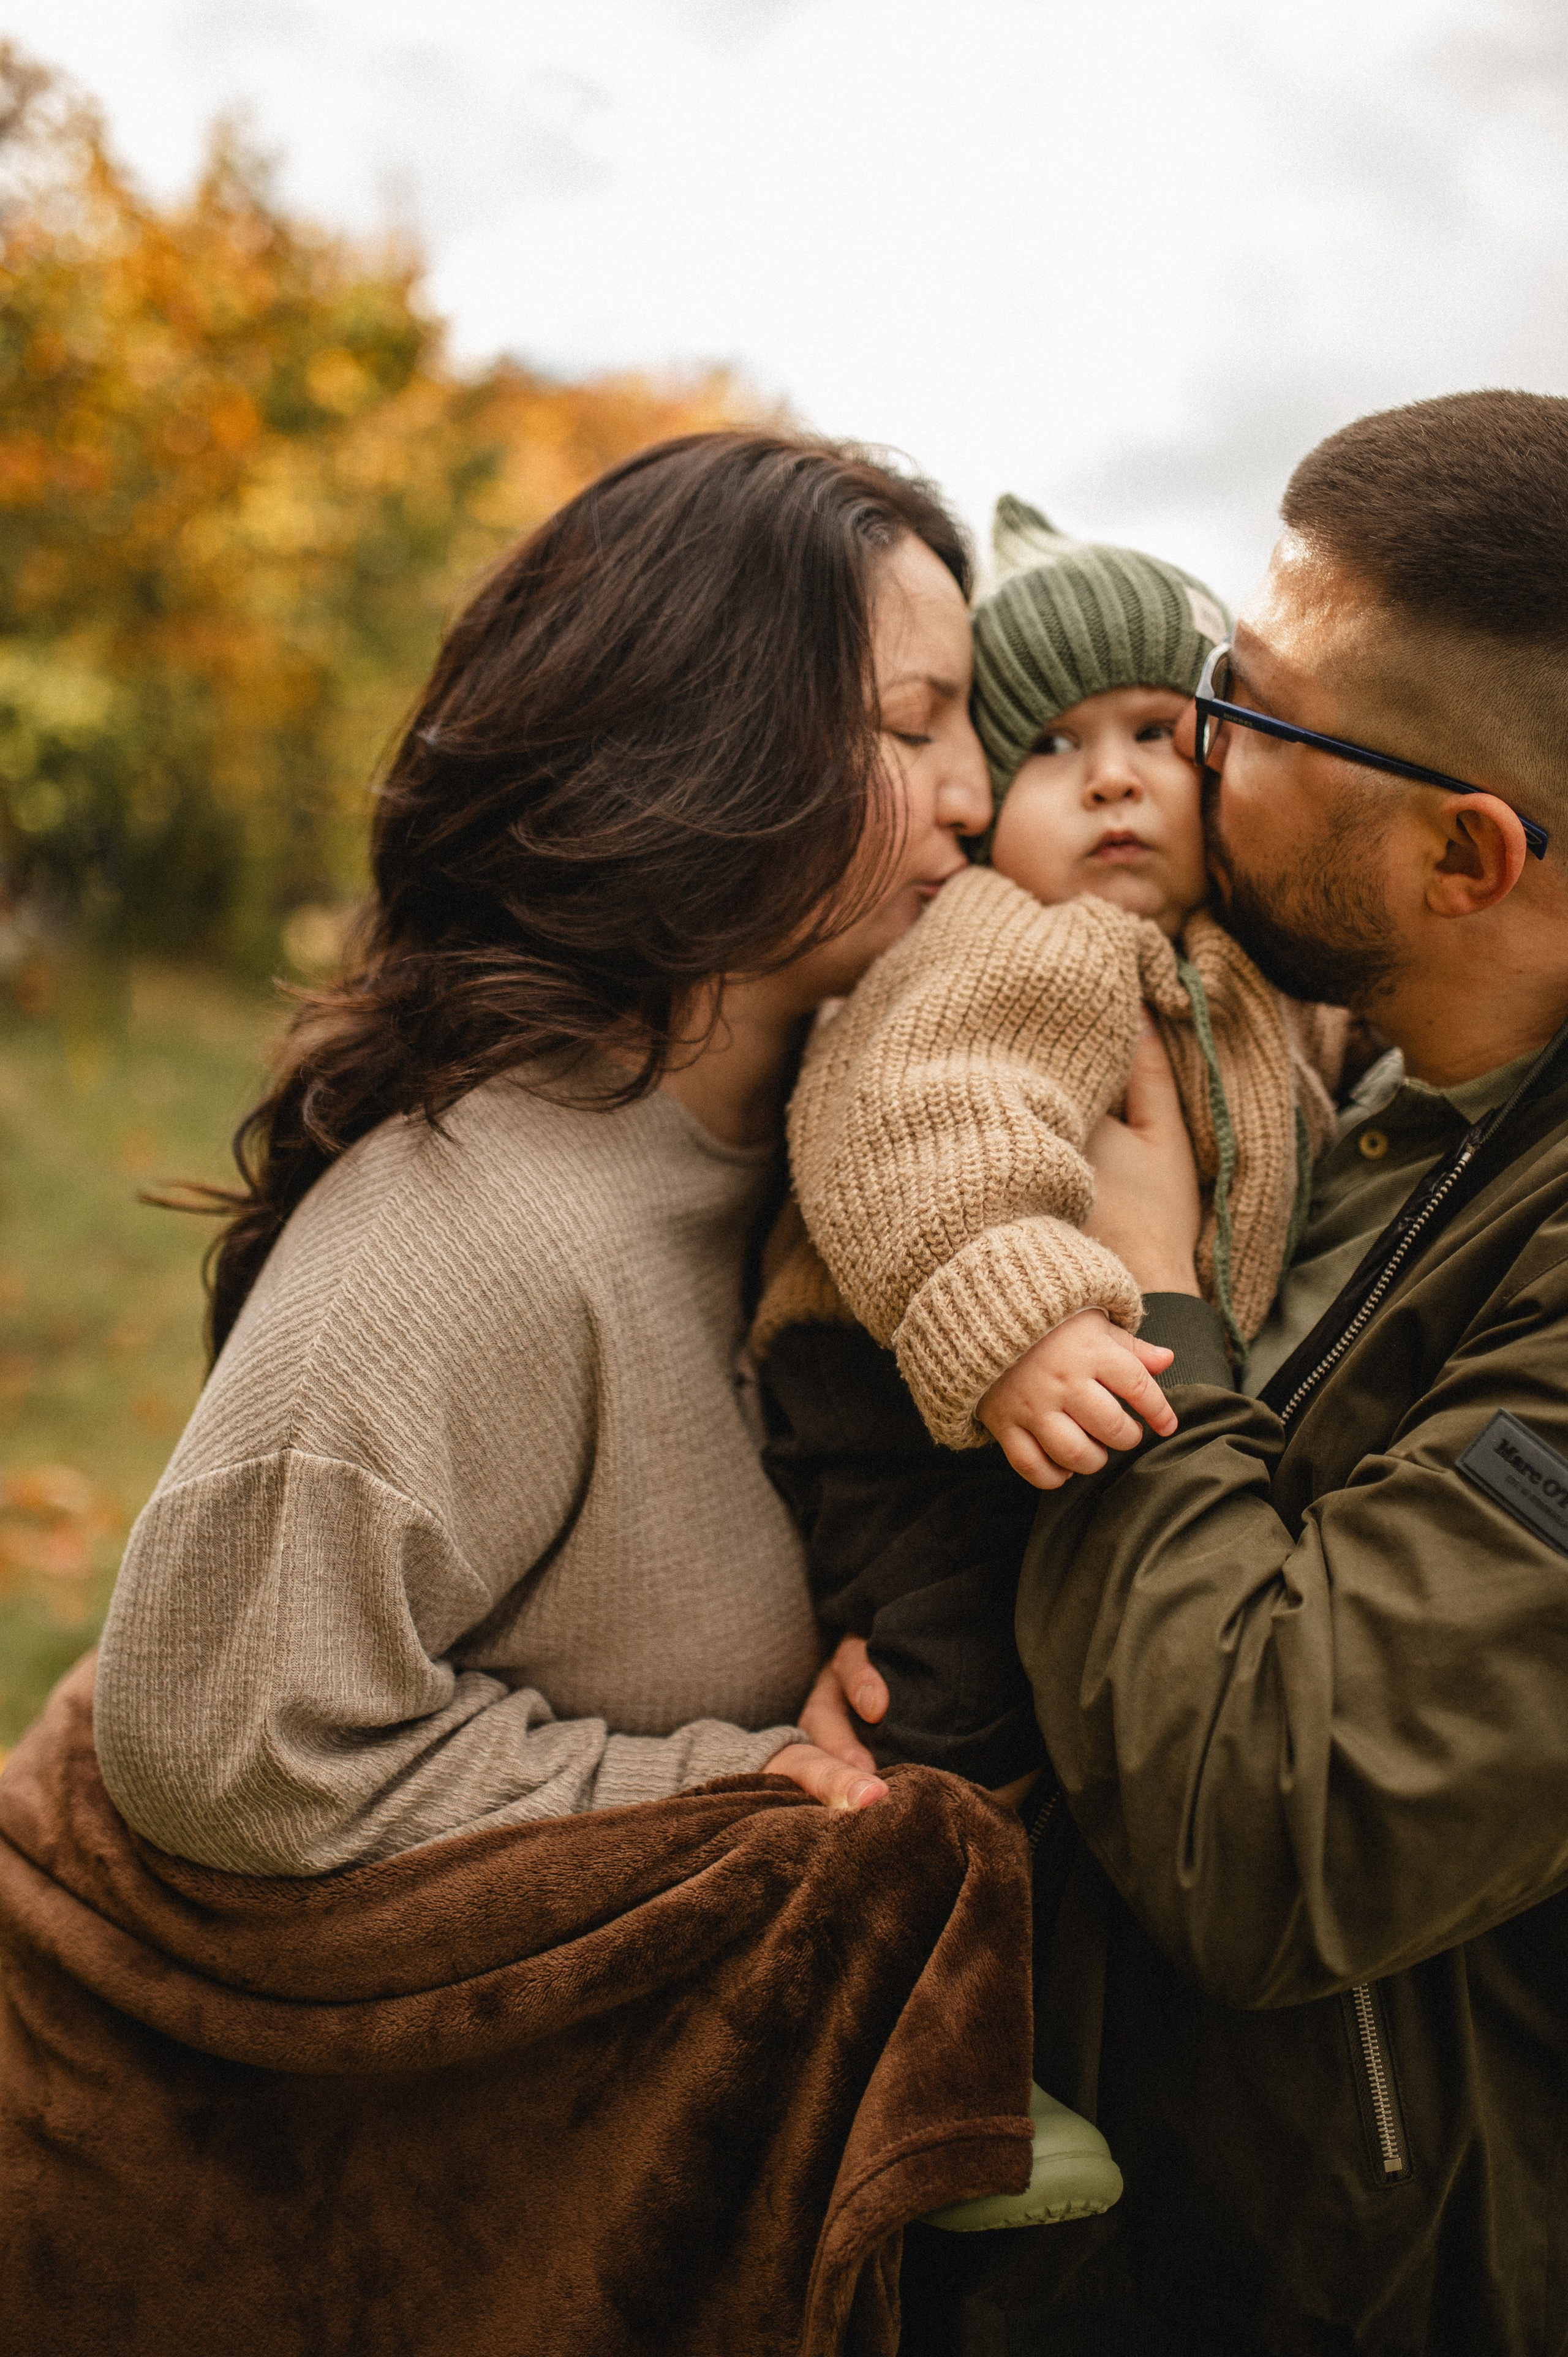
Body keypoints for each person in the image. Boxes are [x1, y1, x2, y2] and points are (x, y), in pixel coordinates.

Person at [810, 389, 1568, 2356]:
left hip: (1326, 2282)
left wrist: (1149, 1302)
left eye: (1248, 704)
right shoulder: (1359, 1051)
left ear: (1465, 857)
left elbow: (1276, 1814)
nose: (1192, 742)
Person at [91, 428, 997, 1872]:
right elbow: (221, 1741)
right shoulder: (465, 1232)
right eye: (910, 726)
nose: (975, 794)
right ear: (711, 736)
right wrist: (729, 1784)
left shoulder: (843, 1168)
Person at [756, 502, 1340, 1796]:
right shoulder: (1009, 933)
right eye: (1050, 745)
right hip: (910, 1384)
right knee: (958, 1682)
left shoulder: (1246, 968)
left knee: (1095, 1661)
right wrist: (1018, 1321)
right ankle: (883, 1872)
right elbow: (918, 1114)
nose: (1111, 779)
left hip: (1086, 1392)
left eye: (1154, 736)